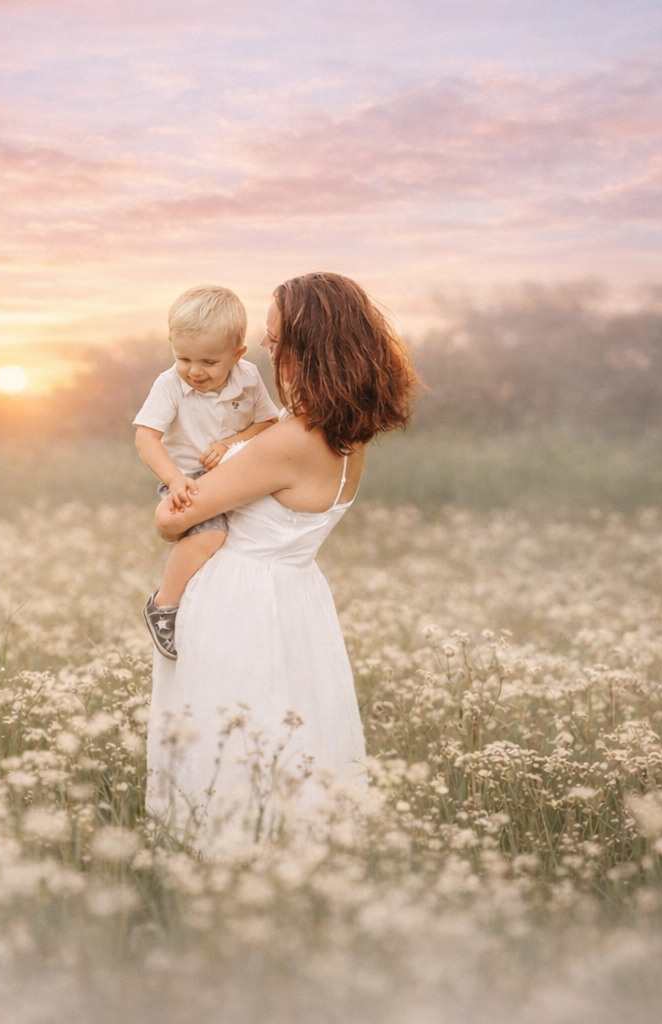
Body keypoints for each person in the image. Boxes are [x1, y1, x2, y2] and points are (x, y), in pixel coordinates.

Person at [145, 272, 417, 842]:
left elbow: (174, 520)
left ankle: (225, 867)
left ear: (308, 350)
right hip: (296, 599)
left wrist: (186, 480)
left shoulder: (289, 441)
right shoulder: (350, 435)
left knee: (231, 742)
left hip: (239, 607)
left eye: (275, 340)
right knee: (291, 733)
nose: (268, 351)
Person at [133, 285, 279, 660]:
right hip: (188, 477)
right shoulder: (169, 384)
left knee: (247, 542)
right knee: (208, 535)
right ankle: (164, 605)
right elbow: (146, 437)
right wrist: (174, 480)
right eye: (183, 358)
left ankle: (228, 620)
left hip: (236, 471)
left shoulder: (248, 378)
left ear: (237, 354)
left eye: (209, 363)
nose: (194, 372)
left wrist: (232, 443)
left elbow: (268, 422)